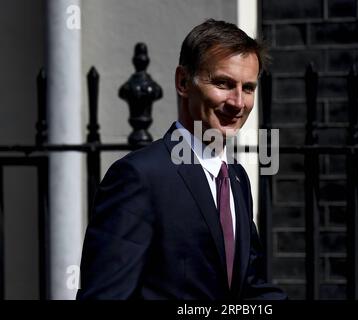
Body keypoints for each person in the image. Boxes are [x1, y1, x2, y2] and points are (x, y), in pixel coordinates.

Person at [77, 19, 287, 300]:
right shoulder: (140, 177)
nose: (238, 102)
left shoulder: (237, 179)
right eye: (223, 83)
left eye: (248, 88)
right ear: (183, 82)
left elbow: (247, 289)